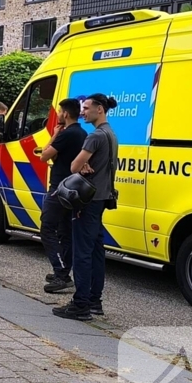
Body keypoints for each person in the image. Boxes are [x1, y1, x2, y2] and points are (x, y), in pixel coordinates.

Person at [53, 93, 119, 321]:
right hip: (102, 198)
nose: (83, 112)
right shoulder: (111, 134)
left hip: (87, 201)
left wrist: (81, 165)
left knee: (82, 253)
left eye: (87, 108)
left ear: (100, 109)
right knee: (97, 251)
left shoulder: (95, 136)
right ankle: (94, 301)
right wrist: (86, 164)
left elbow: (73, 166)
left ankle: (80, 305)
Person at [39, 98, 88, 293]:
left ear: (66, 114)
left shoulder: (66, 134)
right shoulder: (82, 133)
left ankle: (61, 274)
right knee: (65, 231)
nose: (58, 114)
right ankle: (64, 269)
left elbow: (44, 156)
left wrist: (54, 135)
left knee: (47, 228)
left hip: (59, 188)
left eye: (60, 111)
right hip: (73, 188)